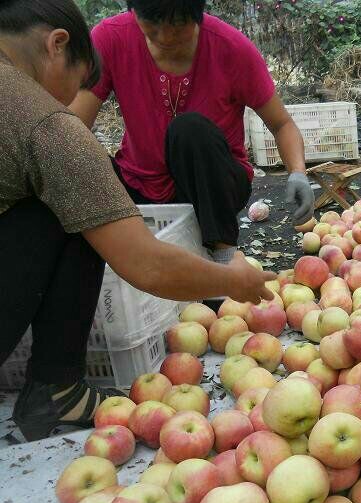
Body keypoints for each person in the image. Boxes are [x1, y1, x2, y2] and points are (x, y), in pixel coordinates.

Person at [0, 0, 276, 442]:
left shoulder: (228, 48)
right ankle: (57, 386)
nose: (69, 100)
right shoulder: (47, 125)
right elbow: (145, 264)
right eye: (78, 84)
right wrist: (230, 280)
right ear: (57, 45)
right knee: (78, 204)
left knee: (63, 199)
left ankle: (56, 392)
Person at [70, 0, 315, 266]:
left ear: (197, 15)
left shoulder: (230, 48)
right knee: (77, 159)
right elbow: (71, 127)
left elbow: (282, 124)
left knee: (189, 129)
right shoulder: (112, 38)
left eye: (178, 26)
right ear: (134, 12)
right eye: (151, 27)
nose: (164, 38)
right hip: (139, 185)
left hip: (215, 187)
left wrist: (298, 173)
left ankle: (224, 257)